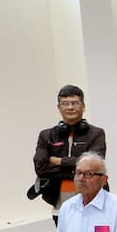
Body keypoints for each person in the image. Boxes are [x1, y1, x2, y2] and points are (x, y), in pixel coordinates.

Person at [32, 85, 107, 221]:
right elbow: (41, 168)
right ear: (59, 107)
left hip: (93, 202)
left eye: (74, 103)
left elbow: (94, 165)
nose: (70, 107)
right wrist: (81, 170)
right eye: (65, 103)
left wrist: (59, 161)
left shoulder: (96, 133)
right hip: (60, 205)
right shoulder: (46, 136)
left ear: (83, 106)